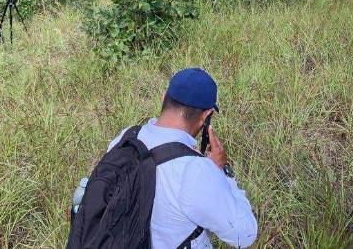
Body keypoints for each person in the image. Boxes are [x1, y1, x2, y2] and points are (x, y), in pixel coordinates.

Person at [69, 68, 257, 248]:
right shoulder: (197, 171)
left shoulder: (125, 138)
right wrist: (222, 171)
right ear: (206, 116)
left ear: (164, 97)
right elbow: (244, 235)